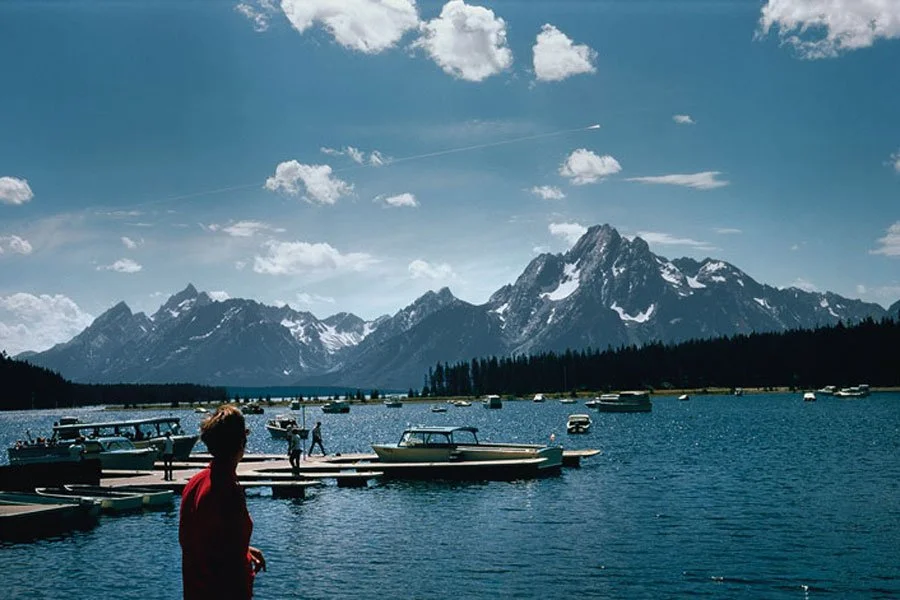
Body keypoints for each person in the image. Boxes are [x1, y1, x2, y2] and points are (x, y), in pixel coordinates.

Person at [179, 405, 265, 599]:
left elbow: (207, 541)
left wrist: (246, 551)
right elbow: (227, 562)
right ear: (242, 441)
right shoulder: (227, 489)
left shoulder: (196, 481)